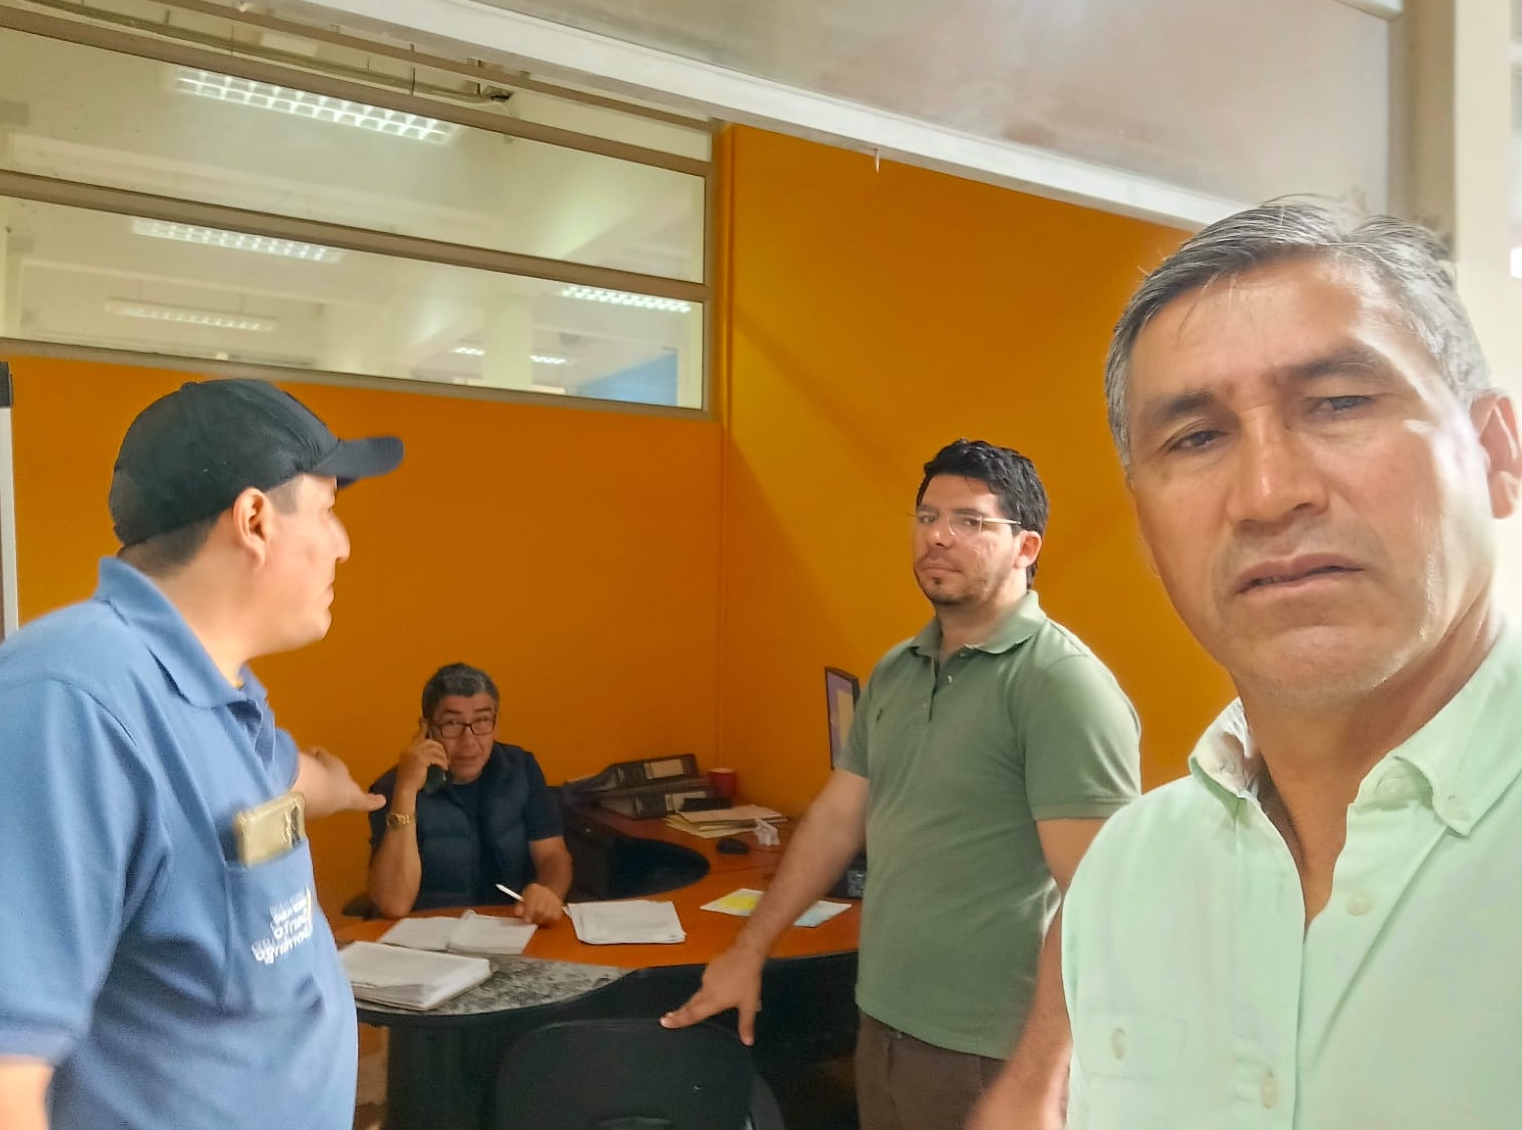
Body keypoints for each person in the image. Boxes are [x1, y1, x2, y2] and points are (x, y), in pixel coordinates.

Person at [1057, 202, 1522, 1128]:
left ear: (1495, 454)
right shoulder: (1129, 872)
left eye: (1339, 403)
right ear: (1147, 528)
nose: (1269, 495)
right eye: (1196, 438)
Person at [0, 378, 402, 1130]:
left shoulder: (213, 696)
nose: (342, 543)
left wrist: (340, 789)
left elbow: (266, 788)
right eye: (327, 510)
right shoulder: (66, 707)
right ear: (254, 520)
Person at [663, 439, 1141, 1130]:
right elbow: (836, 821)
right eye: (927, 517)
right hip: (884, 1020)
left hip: (992, 1051)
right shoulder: (898, 669)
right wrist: (750, 948)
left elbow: (1102, 899)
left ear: (1026, 547)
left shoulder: (1058, 684)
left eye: (970, 521)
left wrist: (1040, 1077)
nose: (939, 536)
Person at [367, 662, 572, 925]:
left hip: (511, 926)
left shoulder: (520, 769)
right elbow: (393, 903)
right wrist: (405, 791)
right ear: (427, 729)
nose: (469, 741)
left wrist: (548, 892)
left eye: (482, 721)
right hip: (431, 935)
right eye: (452, 723)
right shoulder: (391, 787)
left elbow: (553, 856)